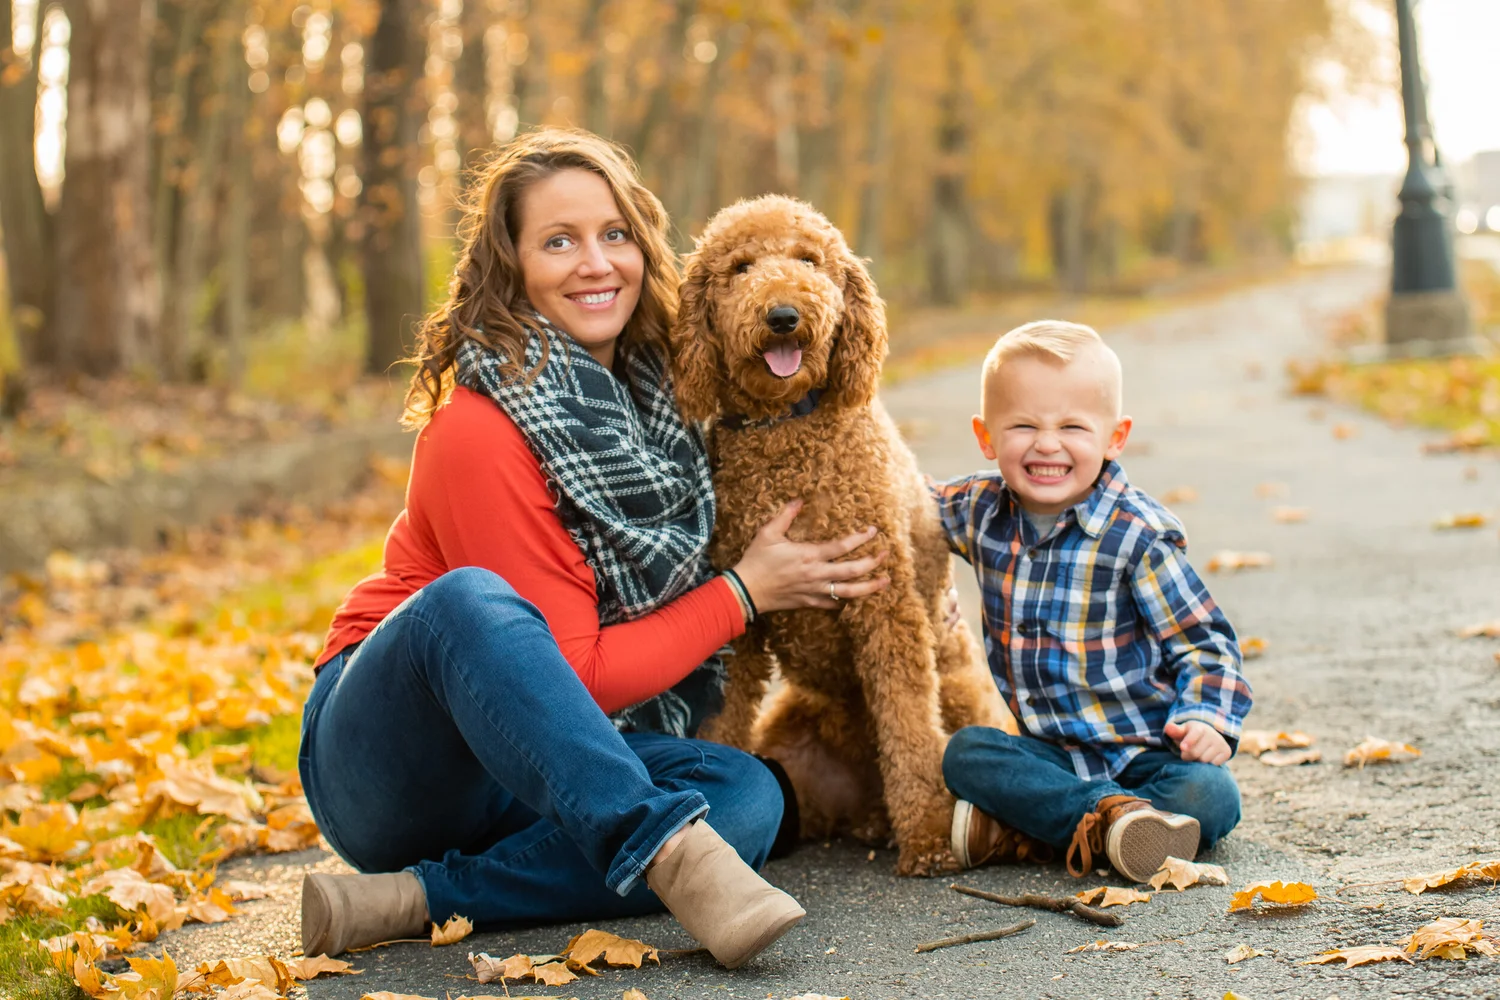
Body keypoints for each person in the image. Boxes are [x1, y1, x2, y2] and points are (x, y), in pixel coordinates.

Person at [297, 129, 891, 969]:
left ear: (644, 248)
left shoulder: (665, 396)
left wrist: (916, 541)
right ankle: (671, 854)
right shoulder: (477, 425)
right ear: (513, 267)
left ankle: (412, 899)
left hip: (546, 761)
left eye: (614, 234)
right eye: (558, 241)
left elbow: (820, 455)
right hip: (395, 758)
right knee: (469, 601)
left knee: (747, 795)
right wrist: (744, 594)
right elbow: (573, 671)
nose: (595, 262)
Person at [934, 320, 1253, 883]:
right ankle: (1115, 828)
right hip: (1049, 755)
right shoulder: (980, 510)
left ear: (1115, 437)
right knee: (966, 753)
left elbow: (1205, 644)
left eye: (1073, 426)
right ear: (986, 436)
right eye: (1024, 425)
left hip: (1145, 756)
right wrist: (925, 587)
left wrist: (1207, 717)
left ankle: (1039, 829)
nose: (1048, 444)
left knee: (1211, 794)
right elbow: (902, 506)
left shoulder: (1138, 536)